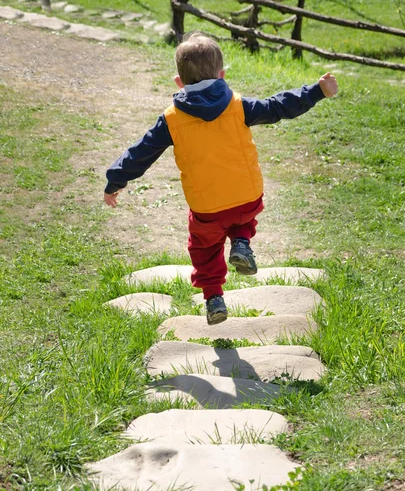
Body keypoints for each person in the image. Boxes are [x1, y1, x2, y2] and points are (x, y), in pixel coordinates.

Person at [104, 32, 338, 325]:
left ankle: (214, 296)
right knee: (243, 214)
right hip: (247, 196)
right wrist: (316, 91)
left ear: (179, 82)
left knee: (204, 247)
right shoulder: (239, 106)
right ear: (222, 75)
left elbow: (141, 153)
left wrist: (115, 180)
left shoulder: (172, 119)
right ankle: (241, 242)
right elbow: (278, 106)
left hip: (207, 208)